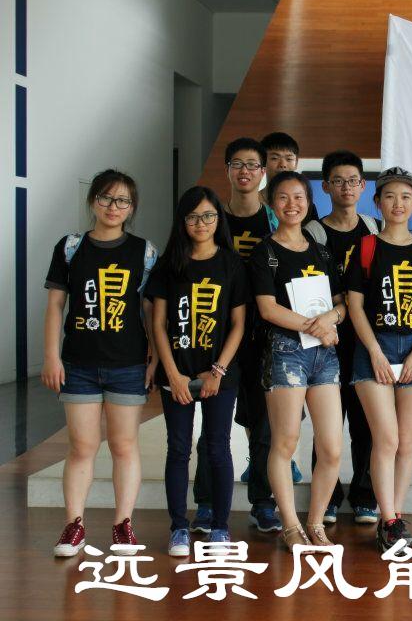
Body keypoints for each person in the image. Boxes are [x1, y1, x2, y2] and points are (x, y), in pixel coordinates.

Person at [42, 169, 157, 557]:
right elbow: (56, 305)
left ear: (132, 208)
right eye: (106, 198)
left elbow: (149, 312)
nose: (113, 206)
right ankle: (73, 526)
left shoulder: (144, 251)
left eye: (123, 201)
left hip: (128, 364)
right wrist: (51, 356)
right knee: (81, 446)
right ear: (93, 200)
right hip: (78, 364)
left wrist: (155, 358)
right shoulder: (71, 247)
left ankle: (123, 526)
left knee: (124, 445)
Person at [344, 167, 412, 551]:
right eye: (389, 196)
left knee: (406, 442)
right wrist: (374, 351)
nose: (397, 203)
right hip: (375, 347)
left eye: (405, 197)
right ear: (377, 202)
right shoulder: (366, 248)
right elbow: (354, 305)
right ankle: (388, 519)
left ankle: (394, 518)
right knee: (385, 438)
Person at [249, 171, 347, 550]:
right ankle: (291, 525)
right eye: (284, 197)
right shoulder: (265, 252)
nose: (292, 204)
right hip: (285, 352)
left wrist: (330, 320)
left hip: (325, 355)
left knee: (332, 447)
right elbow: (267, 309)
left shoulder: (322, 251)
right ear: (272, 204)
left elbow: (341, 303)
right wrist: (316, 326)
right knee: (285, 441)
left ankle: (316, 521)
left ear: (309, 201)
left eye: (299, 197)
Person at [149, 187, 247, 556]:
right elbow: (158, 324)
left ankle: (220, 527)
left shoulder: (231, 264)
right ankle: (179, 528)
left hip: (219, 374)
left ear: (218, 220)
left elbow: (238, 324)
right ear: (182, 221)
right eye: (192, 217)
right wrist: (173, 375)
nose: (201, 223)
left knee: (217, 447)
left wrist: (218, 371)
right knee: (178, 449)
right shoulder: (169, 263)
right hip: (177, 373)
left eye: (208, 216)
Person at [204, 137, 283, 535]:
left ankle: (263, 503)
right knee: (212, 425)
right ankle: (206, 503)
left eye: (253, 165)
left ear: (263, 173)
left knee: (265, 426)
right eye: (237, 164)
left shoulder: (276, 221)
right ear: (228, 170)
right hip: (216, 336)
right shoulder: (211, 219)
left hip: (265, 335)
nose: (245, 171)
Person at [303, 150, 381, 526]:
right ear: (325, 187)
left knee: (366, 421)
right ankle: (328, 495)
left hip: (365, 340)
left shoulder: (374, 228)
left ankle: (365, 495)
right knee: (327, 424)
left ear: (363, 186)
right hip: (327, 341)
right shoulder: (313, 233)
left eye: (353, 181)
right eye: (338, 181)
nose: (346, 187)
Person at [260, 131, 321, 224]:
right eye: (274, 158)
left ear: (296, 162)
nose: (283, 165)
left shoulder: (306, 207)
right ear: (262, 161)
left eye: (289, 159)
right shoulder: (252, 202)